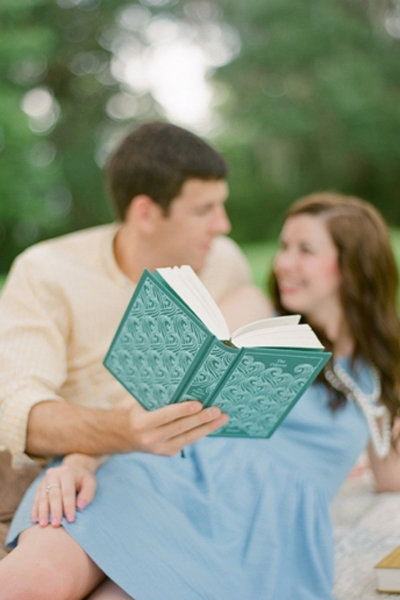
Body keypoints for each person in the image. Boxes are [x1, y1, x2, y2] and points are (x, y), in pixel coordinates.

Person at [2, 192, 400, 600]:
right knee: (36, 582)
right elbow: (157, 398)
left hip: (260, 532)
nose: (284, 264)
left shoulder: (381, 374)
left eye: (305, 250)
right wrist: (80, 459)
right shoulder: (257, 310)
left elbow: (390, 477)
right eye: (283, 247)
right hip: (170, 475)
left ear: (354, 266)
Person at [0, 121, 270, 556]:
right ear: (145, 212)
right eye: (204, 210)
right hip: (71, 474)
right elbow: (18, 412)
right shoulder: (47, 272)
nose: (223, 224)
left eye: (222, 205)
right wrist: (120, 432)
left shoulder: (224, 262)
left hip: (187, 473)